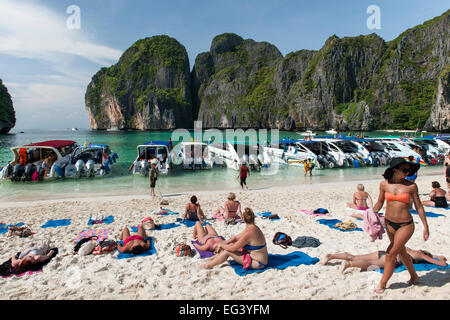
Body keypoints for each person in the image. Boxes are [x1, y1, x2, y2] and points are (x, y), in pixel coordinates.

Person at [372, 157, 429, 294]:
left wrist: (425, 226)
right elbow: (379, 203)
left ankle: (382, 284)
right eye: (404, 169)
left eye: (409, 170)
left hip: (406, 225)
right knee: (402, 252)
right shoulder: (384, 184)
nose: (407, 172)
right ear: (395, 170)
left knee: (390, 254)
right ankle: (414, 277)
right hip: (389, 224)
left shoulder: (411, 186)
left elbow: (419, 206)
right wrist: (371, 214)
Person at [201, 208, 268, 270]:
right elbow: (235, 238)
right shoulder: (253, 228)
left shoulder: (249, 233)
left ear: (243, 219)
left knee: (228, 251)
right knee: (229, 244)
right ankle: (212, 259)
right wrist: (224, 243)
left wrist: (222, 245)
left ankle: (209, 265)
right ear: (253, 218)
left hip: (258, 263)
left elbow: (233, 249)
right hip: (256, 258)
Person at [320, 247, 447, 273]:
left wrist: (437, 255)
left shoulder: (410, 249)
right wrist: (438, 259)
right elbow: (440, 263)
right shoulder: (422, 256)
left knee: (355, 255)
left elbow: (435, 257)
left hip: (382, 252)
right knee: (369, 264)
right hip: (390, 258)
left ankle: (331, 256)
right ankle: (348, 264)